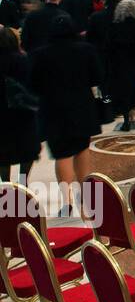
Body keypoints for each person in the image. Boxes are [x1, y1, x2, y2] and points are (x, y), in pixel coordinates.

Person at [30, 14, 102, 214]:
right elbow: (97, 76)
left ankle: (67, 201)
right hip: (81, 106)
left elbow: (33, 84)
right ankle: (85, 199)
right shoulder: (86, 50)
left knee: (62, 155)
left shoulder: (40, 54)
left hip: (53, 109)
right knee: (82, 150)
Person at [0, 26, 39, 185]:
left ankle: (6, 183)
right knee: (27, 150)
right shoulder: (23, 59)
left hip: (2, 114)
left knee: (2, 153)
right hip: (23, 112)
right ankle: (23, 181)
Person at [106, 0, 135, 131]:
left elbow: (109, 46)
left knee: (120, 89)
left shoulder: (114, 26)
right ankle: (130, 107)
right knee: (132, 87)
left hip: (117, 63)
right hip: (133, 62)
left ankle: (125, 114)